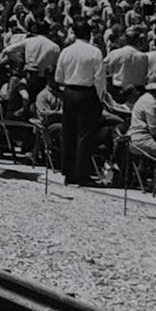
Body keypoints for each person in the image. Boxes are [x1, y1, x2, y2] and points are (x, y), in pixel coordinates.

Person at [53, 18, 109, 185]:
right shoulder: (95, 52)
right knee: (85, 135)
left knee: (69, 133)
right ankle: (82, 173)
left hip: (70, 92)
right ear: (89, 33)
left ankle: (68, 172)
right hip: (87, 93)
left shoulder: (66, 51)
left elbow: (58, 77)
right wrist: (101, 98)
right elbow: (99, 78)